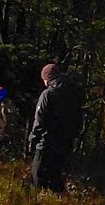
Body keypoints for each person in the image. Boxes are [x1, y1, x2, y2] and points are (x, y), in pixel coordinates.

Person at [27, 63, 83, 192]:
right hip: (65, 141)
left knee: (38, 174)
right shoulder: (73, 93)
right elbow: (78, 117)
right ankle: (58, 201)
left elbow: (40, 121)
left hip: (46, 142)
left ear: (47, 78)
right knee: (56, 174)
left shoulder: (48, 94)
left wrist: (33, 139)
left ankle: (43, 202)